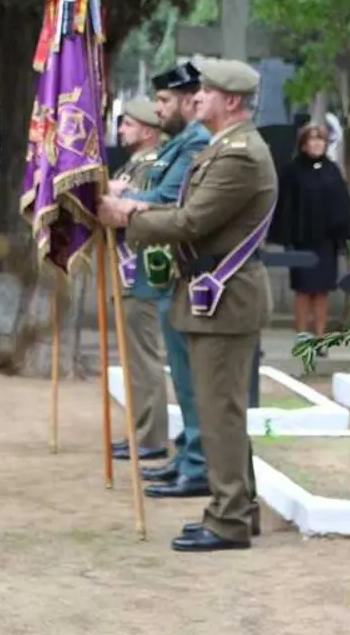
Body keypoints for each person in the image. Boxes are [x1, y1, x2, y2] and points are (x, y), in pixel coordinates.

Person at [100, 58, 276, 552]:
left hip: (225, 298)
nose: (196, 98)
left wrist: (126, 216)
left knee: (219, 411)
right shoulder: (224, 148)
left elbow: (191, 221)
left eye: (208, 92)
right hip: (214, 297)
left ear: (232, 102)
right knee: (222, 410)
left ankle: (227, 519)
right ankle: (239, 509)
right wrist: (134, 209)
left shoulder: (240, 154)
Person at [110, 63, 212, 497]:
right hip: (170, 272)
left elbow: (167, 199)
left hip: (180, 269)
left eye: (165, 101)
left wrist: (122, 199)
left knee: (189, 376)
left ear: (190, 100)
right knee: (183, 373)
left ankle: (195, 461)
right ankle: (187, 456)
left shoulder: (194, 145)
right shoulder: (179, 144)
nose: (159, 109)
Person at [108, 97, 170, 461]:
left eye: (127, 124)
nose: (121, 130)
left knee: (145, 359)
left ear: (147, 130)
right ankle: (141, 432)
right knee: (134, 359)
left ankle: (150, 437)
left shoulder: (151, 166)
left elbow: (142, 211)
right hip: (127, 270)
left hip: (142, 271)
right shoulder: (135, 164)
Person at [271, 123, 350, 336]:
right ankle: (302, 336)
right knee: (303, 291)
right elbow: (284, 206)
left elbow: (343, 205)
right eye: (311, 140)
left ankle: (319, 337)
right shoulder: (292, 171)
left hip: (326, 242)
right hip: (302, 241)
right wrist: (286, 238)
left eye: (320, 140)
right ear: (303, 145)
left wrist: (346, 238)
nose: (316, 144)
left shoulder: (332, 170)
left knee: (322, 291)